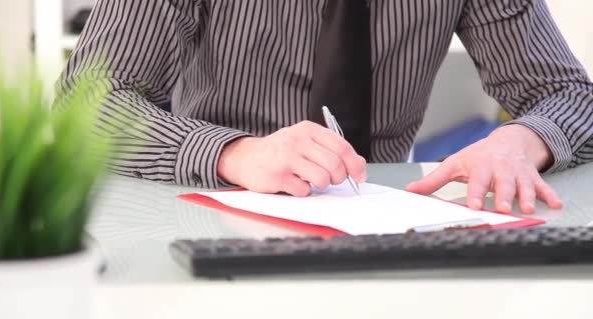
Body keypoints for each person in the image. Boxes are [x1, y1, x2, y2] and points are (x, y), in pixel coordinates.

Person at [58, 0, 593, 214]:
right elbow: (84, 107)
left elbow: (567, 94)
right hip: (209, 212)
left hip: (381, 221)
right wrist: (237, 153)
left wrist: (520, 142)